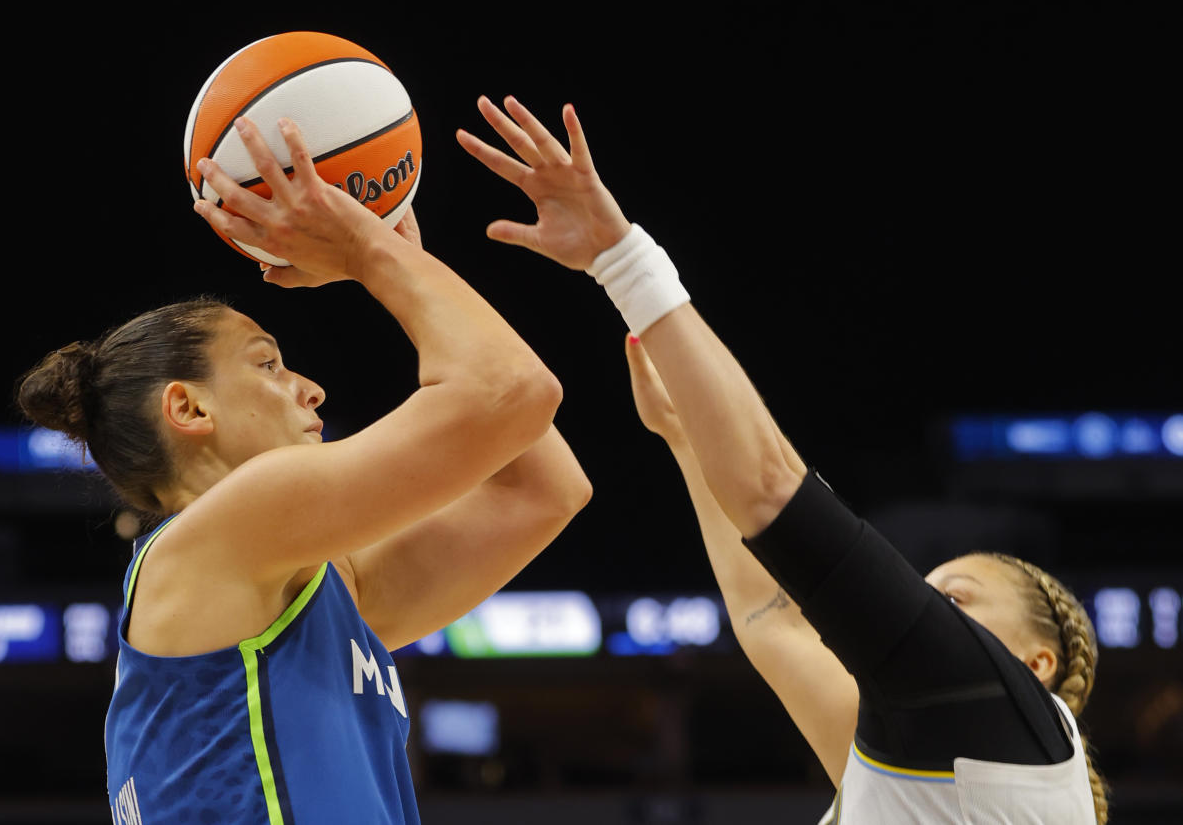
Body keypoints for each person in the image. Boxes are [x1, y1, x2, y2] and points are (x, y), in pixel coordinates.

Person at [457, 95, 1108, 824]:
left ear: (1034, 665)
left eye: (950, 600)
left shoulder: (1002, 716)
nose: (919, 608)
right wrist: (685, 438)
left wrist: (621, 259)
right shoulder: (937, 766)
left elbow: (772, 490)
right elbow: (773, 617)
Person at [17, 115, 592, 825]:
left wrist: (399, 259)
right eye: (267, 363)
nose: (310, 387)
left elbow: (541, 489)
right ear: (189, 408)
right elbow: (514, 393)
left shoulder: (306, 583)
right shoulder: (225, 532)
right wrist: (369, 253)